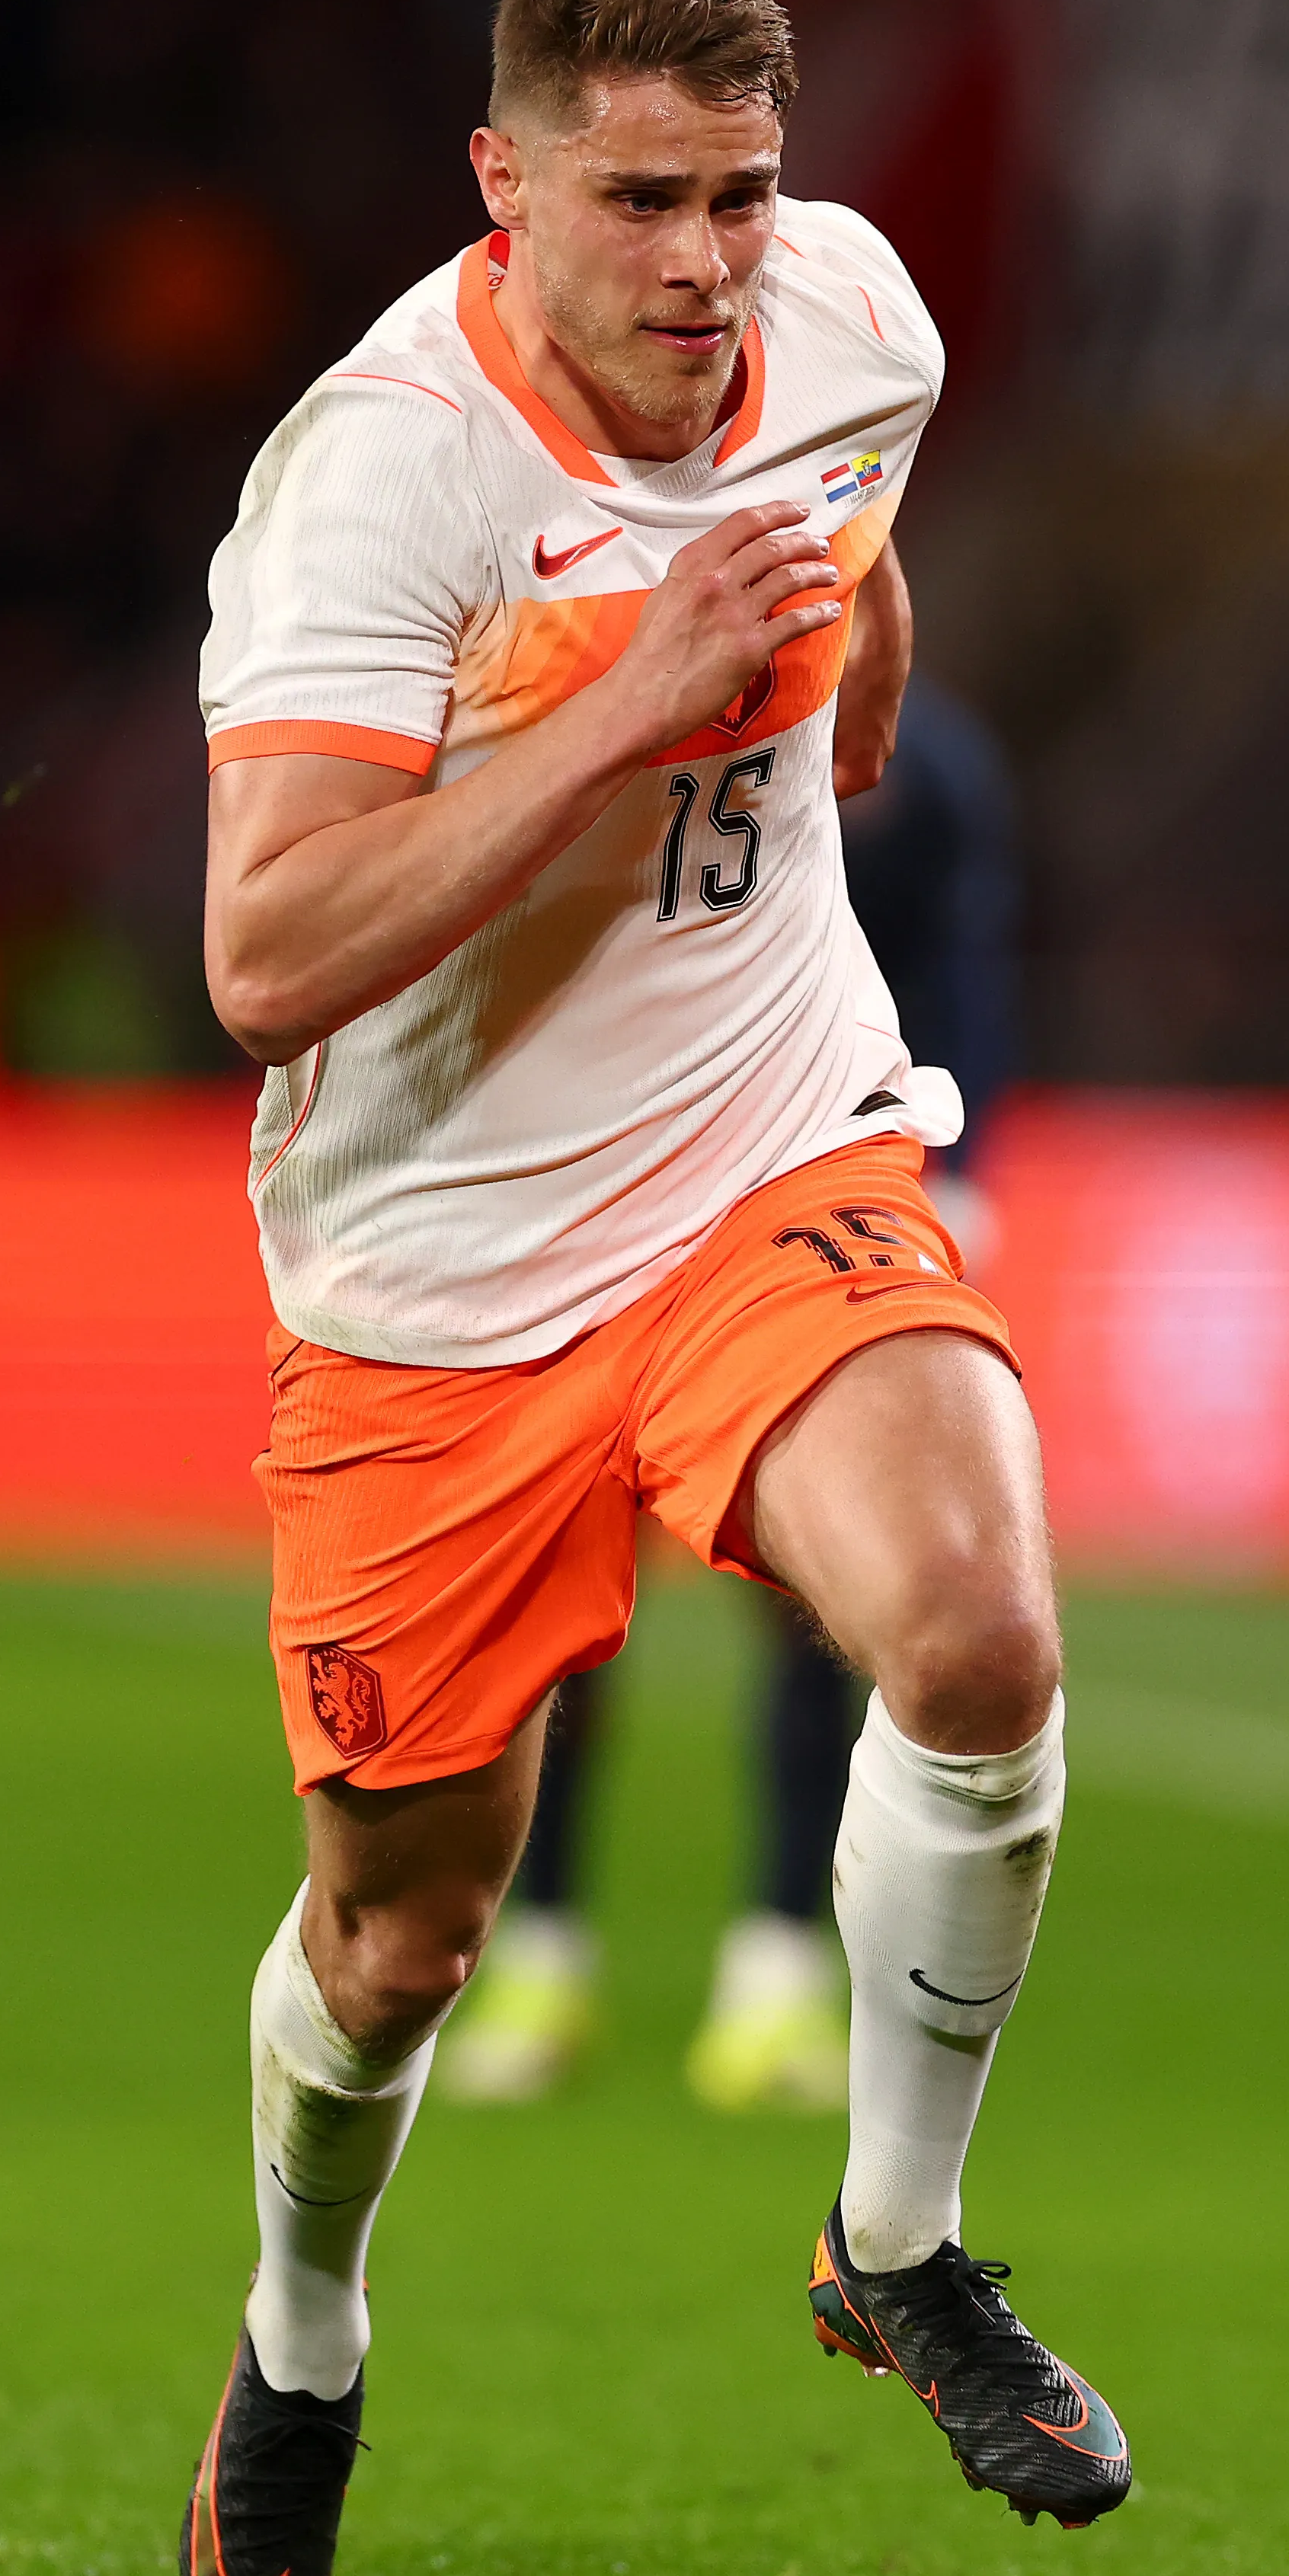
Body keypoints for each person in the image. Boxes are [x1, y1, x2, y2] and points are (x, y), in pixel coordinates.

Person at [175, 0, 1127, 2576]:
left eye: (740, 192)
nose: (708, 261)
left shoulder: (852, 322)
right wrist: (621, 699)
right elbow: (262, 955)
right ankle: (306, 2333)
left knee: (971, 1627)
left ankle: (897, 2243)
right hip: (437, 1278)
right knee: (399, 1942)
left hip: (761, 1159)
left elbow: (848, 652)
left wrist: (837, 652)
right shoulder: (379, 483)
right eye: (642, 204)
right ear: (507, 187)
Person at [446, 675, 1022, 2114]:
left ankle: (772, 1976)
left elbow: (967, 971)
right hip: (603, 1214)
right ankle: (542, 1957)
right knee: (569, 1616)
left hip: (803, 1214)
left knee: (824, 1617)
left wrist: (957, 1166)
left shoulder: (923, 767)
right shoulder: (608, 706)